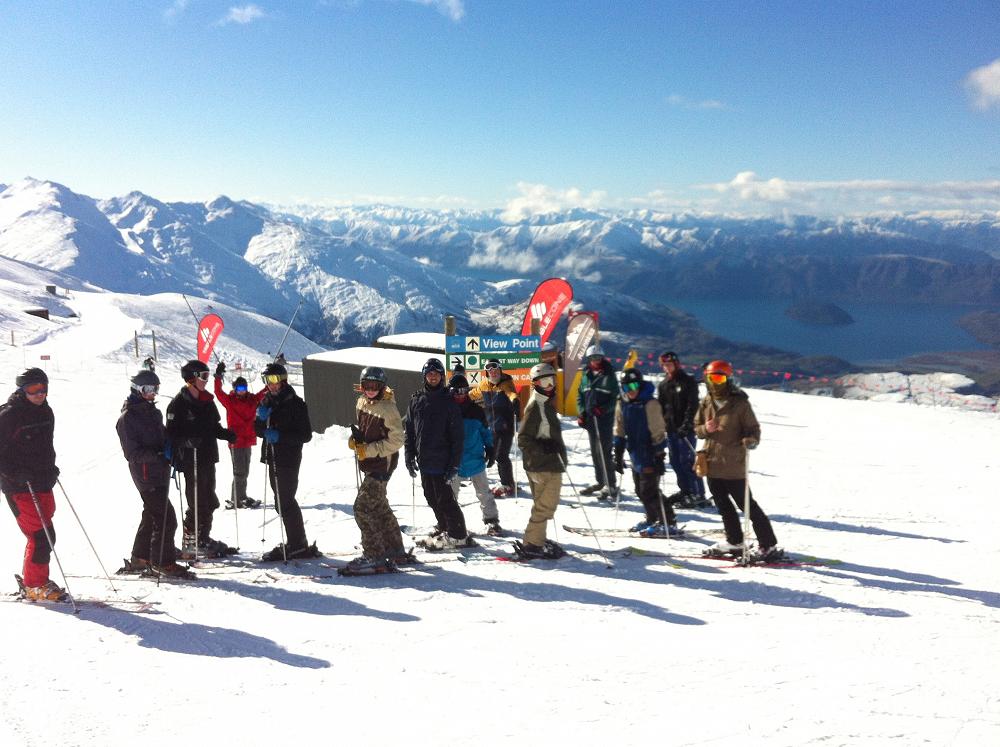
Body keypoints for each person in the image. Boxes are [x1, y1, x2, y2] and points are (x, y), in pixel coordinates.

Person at [693, 360, 782, 561]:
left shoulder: (739, 403)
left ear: (728, 379)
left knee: (747, 506)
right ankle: (734, 541)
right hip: (712, 462)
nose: (715, 383)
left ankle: (768, 545)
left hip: (733, 464)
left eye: (719, 378)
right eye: (711, 378)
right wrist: (706, 429)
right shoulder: (707, 401)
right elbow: (696, 428)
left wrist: (750, 440)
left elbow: (753, 429)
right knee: (723, 506)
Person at [115, 370, 194, 578]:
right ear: (137, 389)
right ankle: (162, 561)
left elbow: (162, 436)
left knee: (152, 513)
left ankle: (141, 557)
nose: (153, 393)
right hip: (145, 475)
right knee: (166, 517)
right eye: (149, 389)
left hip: (159, 471)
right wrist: (160, 455)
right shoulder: (128, 418)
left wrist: (173, 446)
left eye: (156, 389)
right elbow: (132, 454)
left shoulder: (153, 412)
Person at [0, 368, 65, 601]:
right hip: (18, 486)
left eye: (43, 388)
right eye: (33, 389)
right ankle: (34, 585)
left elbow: (46, 446)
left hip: (42, 480)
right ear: (22, 390)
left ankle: (35, 579)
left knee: (46, 533)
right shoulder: (9, 416)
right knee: (42, 536)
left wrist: (51, 467)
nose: (39, 394)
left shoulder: (46, 411)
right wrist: (13, 474)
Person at [166, 359, 237, 559]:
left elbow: (214, 427)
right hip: (191, 460)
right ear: (192, 379)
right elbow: (170, 435)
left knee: (210, 501)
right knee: (197, 502)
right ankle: (190, 543)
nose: (206, 380)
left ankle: (202, 539)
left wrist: (226, 434)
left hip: (207, 457)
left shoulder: (207, 401)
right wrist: (186, 442)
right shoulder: (178, 404)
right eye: (203, 376)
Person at [343, 366, 407, 573]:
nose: (370, 390)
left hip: (382, 464)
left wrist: (368, 450)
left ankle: (374, 554)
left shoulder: (389, 409)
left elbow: (397, 440)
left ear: (382, 387)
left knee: (362, 508)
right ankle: (395, 548)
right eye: (366, 386)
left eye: (375, 386)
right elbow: (365, 429)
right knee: (379, 506)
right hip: (370, 462)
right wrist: (357, 440)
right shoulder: (361, 402)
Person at [404, 357, 469, 550]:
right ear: (424, 376)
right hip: (424, 460)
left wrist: (454, 464)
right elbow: (409, 430)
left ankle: (458, 534)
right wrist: (408, 455)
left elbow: (458, 437)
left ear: (441, 377)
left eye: (436, 374)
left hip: (443, 461)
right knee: (431, 496)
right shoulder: (416, 400)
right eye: (429, 374)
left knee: (445, 499)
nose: (433, 377)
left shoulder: (449, 402)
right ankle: (445, 527)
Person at [255, 361, 319, 561]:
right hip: (273, 457)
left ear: (283, 380)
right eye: (267, 380)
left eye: (274, 380)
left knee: (286, 501)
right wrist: (259, 418)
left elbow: (305, 435)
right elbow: (258, 431)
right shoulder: (267, 402)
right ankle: (296, 542)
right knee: (280, 502)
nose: (271, 384)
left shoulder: (295, 403)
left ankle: (297, 544)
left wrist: (279, 436)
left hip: (289, 458)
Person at [613, 368, 678, 536]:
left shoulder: (650, 403)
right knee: (639, 490)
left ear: (640, 385)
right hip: (634, 451)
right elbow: (619, 426)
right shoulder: (623, 402)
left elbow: (658, 429)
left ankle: (668, 521)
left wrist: (659, 454)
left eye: (634, 385)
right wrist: (618, 451)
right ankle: (652, 517)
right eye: (627, 387)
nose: (631, 390)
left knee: (649, 490)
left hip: (649, 451)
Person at [515, 362, 567, 559]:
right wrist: (544, 447)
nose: (550, 385)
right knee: (545, 506)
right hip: (544, 466)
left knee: (542, 505)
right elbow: (523, 439)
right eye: (545, 382)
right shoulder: (536, 406)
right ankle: (532, 543)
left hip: (547, 464)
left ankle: (537, 539)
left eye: (552, 381)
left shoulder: (545, 403)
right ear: (535, 384)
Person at [448, 373, 502, 536]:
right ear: (450, 391)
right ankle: (451, 522)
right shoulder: (446, 410)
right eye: (456, 391)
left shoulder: (476, 411)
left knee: (484, 493)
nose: (460, 394)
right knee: (450, 495)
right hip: (453, 462)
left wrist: (491, 449)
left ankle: (491, 520)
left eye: (464, 390)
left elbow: (485, 432)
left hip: (475, 458)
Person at [656, 351, 709, 509]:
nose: (667, 367)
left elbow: (692, 406)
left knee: (687, 461)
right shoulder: (664, 384)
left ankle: (697, 493)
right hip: (671, 428)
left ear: (676, 364)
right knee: (675, 461)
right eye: (665, 365)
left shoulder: (687, 381)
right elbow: (661, 406)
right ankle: (685, 490)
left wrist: (687, 425)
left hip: (685, 429)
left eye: (670, 364)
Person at [213, 361, 265, 510]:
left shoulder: (252, 399)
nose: (242, 391)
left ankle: (241, 496)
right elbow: (218, 392)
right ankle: (237, 498)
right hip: (236, 441)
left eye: (244, 388)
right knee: (239, 471)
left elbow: (264, 393)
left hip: (248, 439)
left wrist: (270, 380)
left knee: (245, 470)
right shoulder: (230, 401)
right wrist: (218, 376)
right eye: (239, 388)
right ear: (235, 389)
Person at [469, 357, 519, 497]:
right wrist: (458, 395)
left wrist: (515, 400)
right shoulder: (484, 385)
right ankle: (508, 482)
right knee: (495, 456)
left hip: (505, 426)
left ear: (500, 370)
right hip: (492, 427)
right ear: (486, 372)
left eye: (496, 369)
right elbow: (473, 394)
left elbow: (511, 393)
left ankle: (507, 484)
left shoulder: (505, 384)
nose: (493, 372)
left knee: (501, 455)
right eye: (490, 370)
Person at [576, 344, 619, 499]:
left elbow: (615, 397)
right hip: (590, 418)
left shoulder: (609, 374)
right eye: (593, 358)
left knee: (604, 452)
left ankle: (611, 485)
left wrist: (604, 409)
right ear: (589, 359)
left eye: (599, 358)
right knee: (595, 452)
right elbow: (580, 395)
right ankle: (600, 481)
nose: (596, 360)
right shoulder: (586, 374)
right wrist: (581, 413)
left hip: (604, 420)